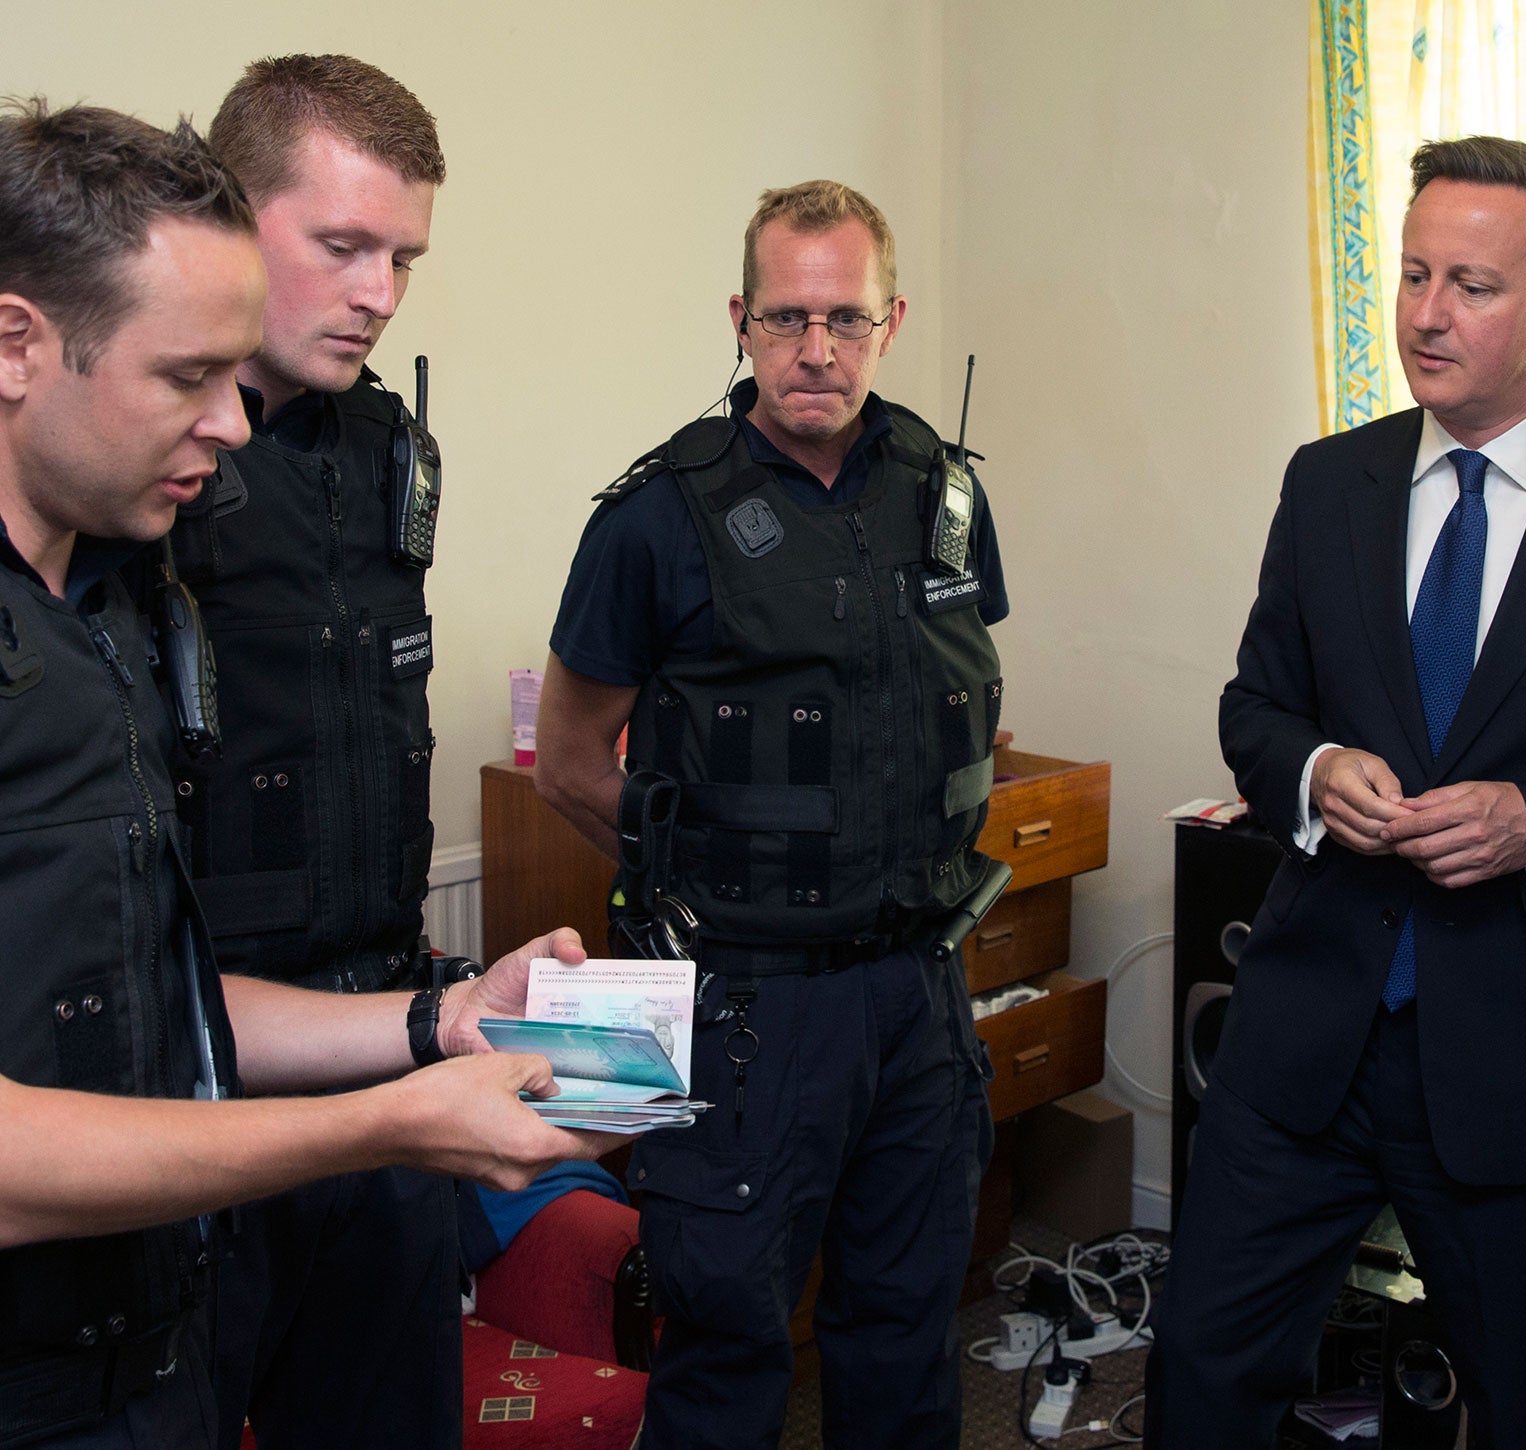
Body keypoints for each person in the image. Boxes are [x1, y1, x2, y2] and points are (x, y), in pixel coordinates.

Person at [0, 98, 601, 1450]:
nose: (227, 429)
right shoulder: (103, 562)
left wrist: (434, 1023)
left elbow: (171, 993)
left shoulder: (87, 620)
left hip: (179, 1252)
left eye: (407, 258)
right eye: (183, 378)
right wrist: (386, 1116)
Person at [1146, 136, 1526, 1449]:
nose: (1425, 312)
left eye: (1471, 284)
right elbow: (1256, 708)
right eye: (1414, 273)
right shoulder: (1329, 482)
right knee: (1200, 1374)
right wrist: (1310, 770)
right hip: (1306, 1036)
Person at [537, 179, 1008, 1449]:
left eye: (846, 319)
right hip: (739, 1007)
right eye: (787, 317)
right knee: (724, 1350)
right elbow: (571, 763)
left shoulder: (941, 489)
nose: (817, 349)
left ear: (891, 319)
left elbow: (948, 714)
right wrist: (703, 892)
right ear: (739, 320)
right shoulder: (653, 518)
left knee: (908, 1333)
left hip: (915, 997)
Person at [149, 56, 461, 1450]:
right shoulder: (126, 458)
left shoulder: (386, 443)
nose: (380, 291)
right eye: (343, 246)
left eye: (402, 256)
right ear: (230, 213)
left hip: (381, 1052)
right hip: (191, 1087)